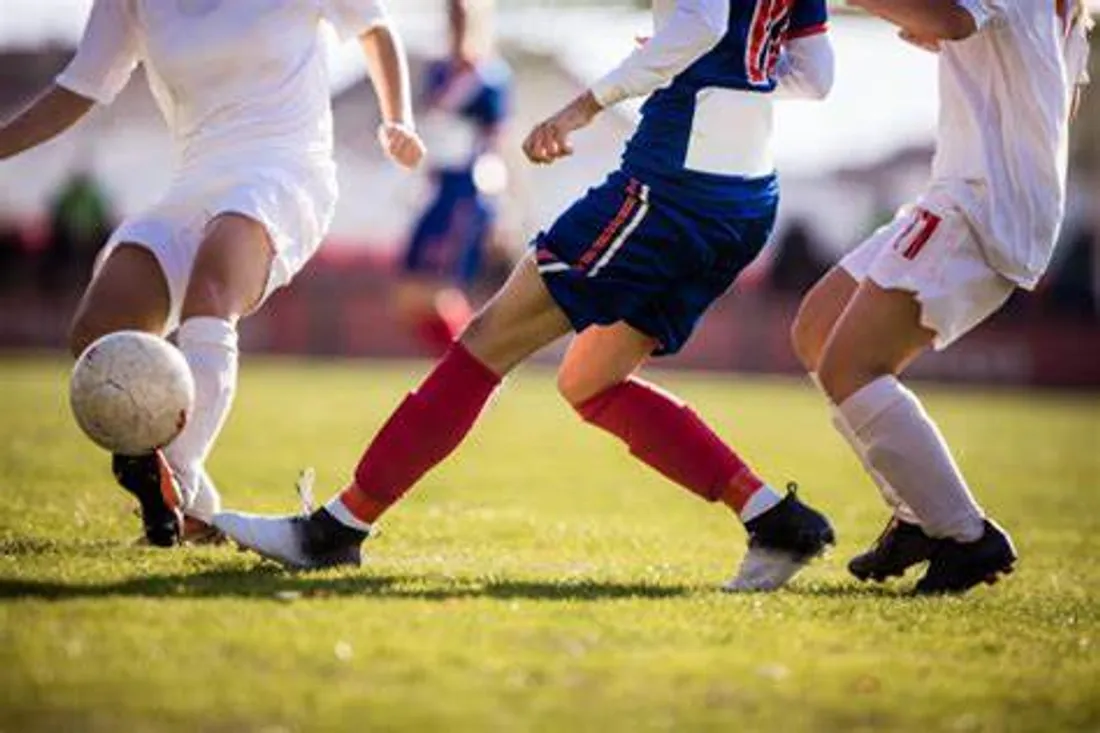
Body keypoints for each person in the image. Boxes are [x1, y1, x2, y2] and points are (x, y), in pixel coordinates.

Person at [216, 0, 838, 592]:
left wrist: (583, 107)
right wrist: (716, 72)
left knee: (487, 341)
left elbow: (701, 24)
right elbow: (815, 77)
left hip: (673, 186)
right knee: (590, 381)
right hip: (748, 196)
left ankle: (336, 529)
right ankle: (776, 522)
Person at [0, 0, 425, 547]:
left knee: (211, 292)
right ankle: (194, 507)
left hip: (284, 169)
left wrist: (398, 121)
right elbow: (78, 88)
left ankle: (174, 472)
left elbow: (375, 28)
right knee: (97, 333)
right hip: (192, 182)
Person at [790, 0, 1091, 594]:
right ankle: (919, 517)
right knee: (817, 330)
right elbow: (967, 32)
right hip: (963, 193)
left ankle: (966, 537)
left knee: (851, 366)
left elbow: (954, 20)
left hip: (978, 205)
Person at [395, 0, 512, 355]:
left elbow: (498, 143)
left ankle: (468, 371)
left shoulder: (490, 77)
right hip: (437, 186)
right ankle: (461, 367)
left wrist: (502, 208)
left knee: (439, 290)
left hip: (466, 191)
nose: (456, 22)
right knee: (409, 295)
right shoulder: (439, 71)